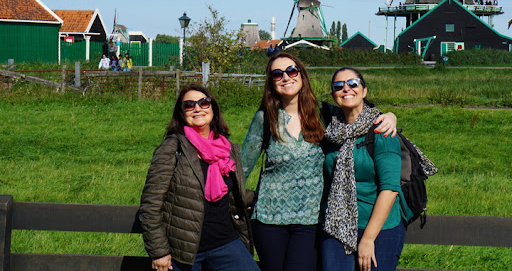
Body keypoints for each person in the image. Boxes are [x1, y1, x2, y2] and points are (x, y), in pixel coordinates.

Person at [241, 53, 396, 271]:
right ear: (271, 82)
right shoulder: (265, 119)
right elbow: (241, 168)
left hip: (311, 219)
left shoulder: (324, 115)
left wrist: (389, 116)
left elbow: (359, 115)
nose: (286, 77)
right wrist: (238, 201)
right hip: (269, 219)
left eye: (292, 71)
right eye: (277, 74)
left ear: (301, 76)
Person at [139, 85, 259, 271]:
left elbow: (235, 193)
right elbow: (151, 204)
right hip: (185, 251)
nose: (197, 108)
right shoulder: (172, 149)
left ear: (213, 109)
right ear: (181, 113)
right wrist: (159, 251)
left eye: (204, 103)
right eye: (189, 105)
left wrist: (264, 195)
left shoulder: (226, 149)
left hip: (226, 243)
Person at [321, 68, 406, 271]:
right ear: (333, 94)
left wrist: (368, 239)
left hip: (379, 228)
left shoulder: (381, 130)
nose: (346, 89)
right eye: (338, 86)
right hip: (337, 224)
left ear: (364, 90)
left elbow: (390, 188)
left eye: (353, 83)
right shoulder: (330, 130)